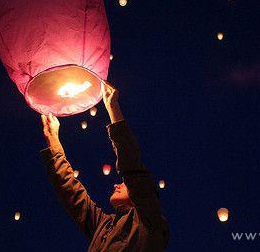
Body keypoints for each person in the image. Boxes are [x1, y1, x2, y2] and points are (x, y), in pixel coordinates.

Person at [40, 81, 169, 251]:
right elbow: (71, 192)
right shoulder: (104, 225)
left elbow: (132, 168)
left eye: (123, 183)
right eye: (122, 182)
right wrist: (53, 142)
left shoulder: (150, 222)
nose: (116, 184)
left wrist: (113, 108)